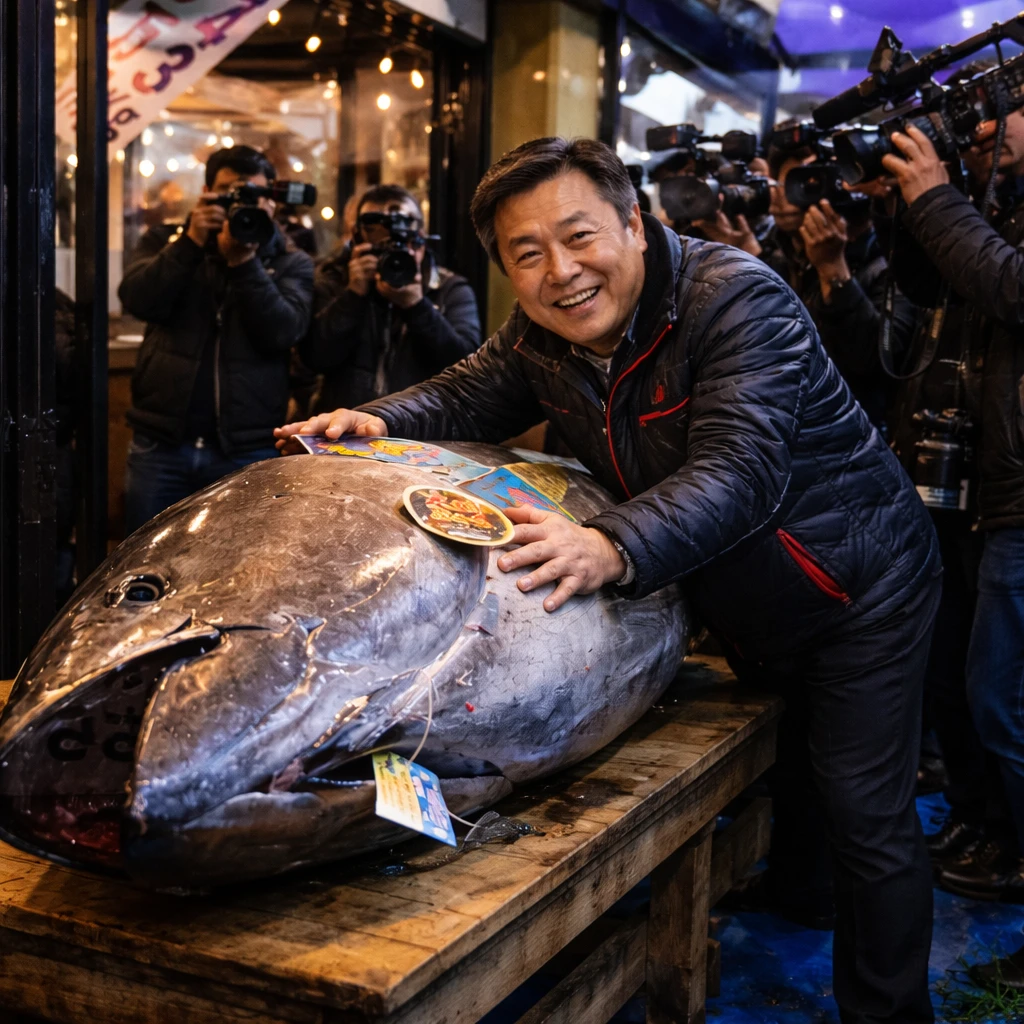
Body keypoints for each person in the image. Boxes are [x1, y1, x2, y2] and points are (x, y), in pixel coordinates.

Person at [277, 137, 942, 1023]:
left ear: (634, 220)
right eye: (527, 254)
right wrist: (375, 421)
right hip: (743, 592)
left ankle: (892, 1012)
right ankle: (802, 899)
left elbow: (741, 471)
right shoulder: (543, 333)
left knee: (867, 814)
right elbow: (465, 396)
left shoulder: (736, 298)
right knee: (800, 771)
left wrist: (609, 545)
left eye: (578, 236)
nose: (560, 272)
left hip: (858, 586)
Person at [882, 93, 1024, 987]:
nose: (983, 127)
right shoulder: (998, 201)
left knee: (1006, 702)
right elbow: (934, 293)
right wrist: (915, 206)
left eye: (1006, 109)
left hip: (1017, 497)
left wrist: (938, 197)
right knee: (974, 690)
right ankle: (997, 834)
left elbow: (1012, 287)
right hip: (984, 486)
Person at [119, 144, 314, 533]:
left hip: (247, 449)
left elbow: (284, 332)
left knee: (239, 560)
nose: (244, 205)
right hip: (162, 444)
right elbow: (137, 300)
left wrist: (245, 263)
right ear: (207, 193)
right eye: (231, 193)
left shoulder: (291, 261)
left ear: (272, 203)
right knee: (143, 556)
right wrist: (190, 242)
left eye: (255, 195)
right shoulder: (166, 241)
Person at [762, 140, 918, 432]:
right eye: (778, 183)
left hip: (856, 431)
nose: (779, 196)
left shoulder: (891, 258)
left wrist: (833, 270)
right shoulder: (784, 254)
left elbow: (879, 362)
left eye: (801, 182)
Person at [301, 185, 481, 413]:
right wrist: (353, 295)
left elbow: (466, 370)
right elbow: (314, 359)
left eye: (403, 240)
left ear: (421, 237)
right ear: (357, 238)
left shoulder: (449, 289)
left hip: (422, 426)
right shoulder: (336, 280)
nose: (393, 252)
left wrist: (416, 306)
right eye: (380, 243)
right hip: (344, 425)